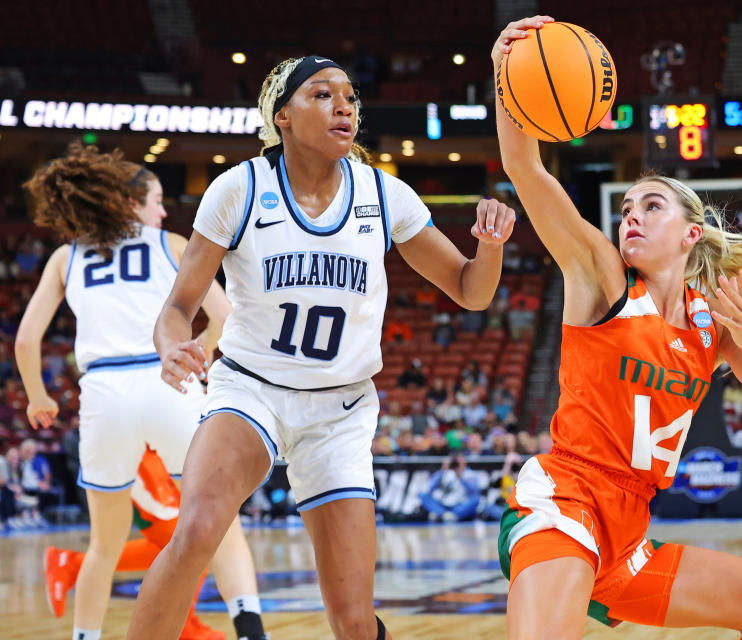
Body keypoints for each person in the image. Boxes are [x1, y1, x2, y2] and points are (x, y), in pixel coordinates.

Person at [125, 55, 516, 640]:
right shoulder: (239, 189)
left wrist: (490, 247)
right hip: (251, 388)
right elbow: (179, 307)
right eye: (322, 94)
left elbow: (470, 291)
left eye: (351, 97)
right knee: (200, 526)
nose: (344, 106)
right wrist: (172, 346)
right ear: (282, 115)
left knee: (355, 623)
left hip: (341, 409)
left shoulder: (384, 194)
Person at [493, 16, 742, 640]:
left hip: (630, 533)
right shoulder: (602, 279)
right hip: (565, 506)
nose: (631, 216)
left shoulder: (708, 321)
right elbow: (523, 165)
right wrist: (506, 74)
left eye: (651, 206)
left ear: (692, 233)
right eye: (627, 209)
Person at [14, 143, 265, 640]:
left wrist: (38, 396)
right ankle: (252, 631)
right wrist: (203, 352)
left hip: (104, 394)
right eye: (156, 200)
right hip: (166, 381)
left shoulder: (65, 256)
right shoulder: (167, 243)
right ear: (130, 204)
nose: (163, 210)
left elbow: (25, 339)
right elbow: (226, 316)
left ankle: (85, 637)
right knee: (221, 522)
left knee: (103, 545)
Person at [45, 449, 228, 640]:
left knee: (187, 545)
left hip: (157, 450)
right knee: (189, 541)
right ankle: (184, 626)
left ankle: (71, 564)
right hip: (135, 448)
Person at [419, 453, 481, 522]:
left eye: (458, 462)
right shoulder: (443, 473)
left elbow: (474, 491)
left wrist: (460, 477)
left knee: (476, 499)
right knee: (423, 495)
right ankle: (443, 514)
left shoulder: (470, 474)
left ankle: (449, 515)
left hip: (460, 504)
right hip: (443, 503)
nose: (456, 465)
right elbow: (429, 487)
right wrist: (442, 472)